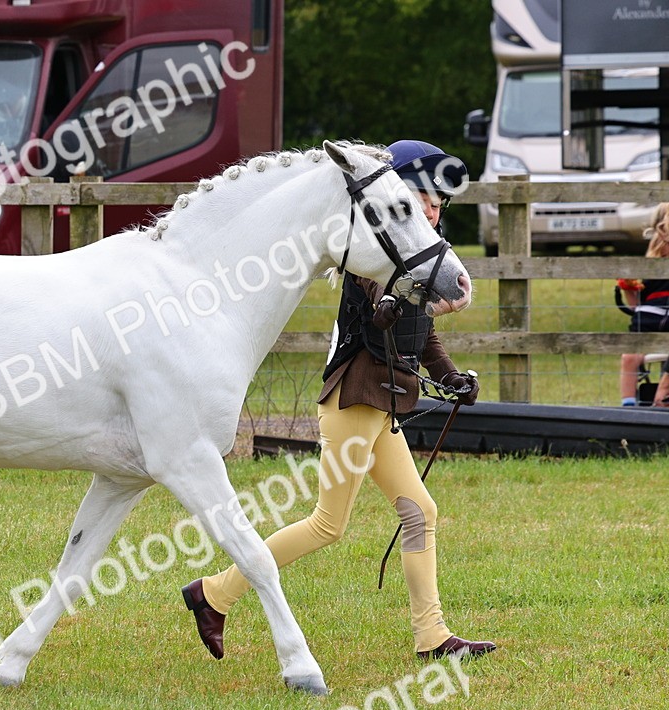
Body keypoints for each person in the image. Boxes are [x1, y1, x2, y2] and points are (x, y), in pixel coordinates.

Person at [182, 140, 497, 662]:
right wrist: (397, 306)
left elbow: (423, 333)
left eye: (439, 204)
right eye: (424, 200)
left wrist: (451, 377)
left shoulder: (420, 250)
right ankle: (214, 593)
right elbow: (380, 313)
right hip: (354, 401)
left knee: (420, 511)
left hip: (383, 405)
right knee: (328, 524)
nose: (433, 211)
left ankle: (433, 637)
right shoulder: (376, 250)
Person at [617, 203, 669, 408]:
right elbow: (636, 307)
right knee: (629, 357)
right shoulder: (651, 261)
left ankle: (661, 397)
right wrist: (629, 288)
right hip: (650, 319)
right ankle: (628, 407)